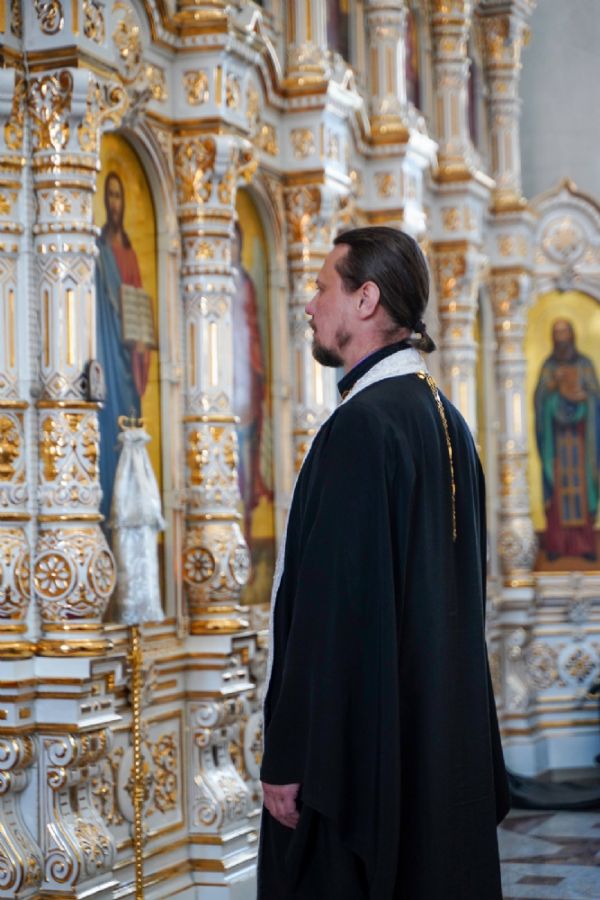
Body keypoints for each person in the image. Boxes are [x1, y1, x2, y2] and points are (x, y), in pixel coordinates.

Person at [258, 226, 509, 899]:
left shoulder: (362, 427)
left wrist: (289, 754)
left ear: (366, 299)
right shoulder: (444, 418)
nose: (309, 304)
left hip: (351, 772)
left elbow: (328, 614)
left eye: (322, 287)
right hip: (429, 750)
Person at [96, 171, 152, 523]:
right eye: (111, 196)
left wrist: (142, 343)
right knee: (107, 425)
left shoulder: (129, 254)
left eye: (120, 196)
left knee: (128, 421)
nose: (115, 203)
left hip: (129, 358)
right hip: (107, 352)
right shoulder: (98, 252)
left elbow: (139, 307)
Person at [534, 319, 599, 561]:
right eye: (557, 332)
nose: (561, 336)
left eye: (565, 332)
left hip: (582, 441)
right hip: (557, 443)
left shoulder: (585, 365)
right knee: (559, 489)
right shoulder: (548, 367)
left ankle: (585, 545)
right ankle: (557, 544)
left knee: (582, 487)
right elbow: (540, 401)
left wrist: (585, 398)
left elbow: (595, 398)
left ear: (572, 335)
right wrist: (553, 387)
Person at [231, 219, 271, 541]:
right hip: (224, 372)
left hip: (243, 373)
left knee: (246, 451)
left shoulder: (244, 283)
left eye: (235, 241)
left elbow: (252, 331)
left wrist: (258, 372)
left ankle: (245, 522)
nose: (230, 247)